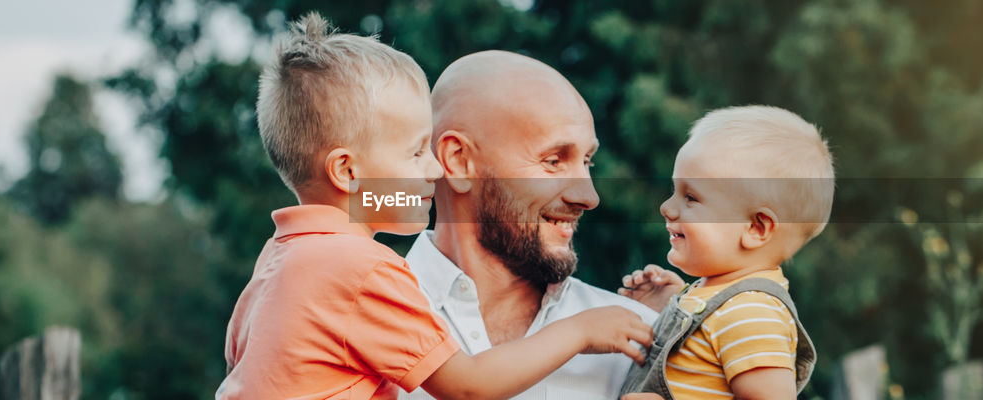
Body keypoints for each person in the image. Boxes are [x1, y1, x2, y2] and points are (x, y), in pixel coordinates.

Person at [217, 14, 651, 400]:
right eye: (553, 160)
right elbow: (467, 386)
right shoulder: (368, 275)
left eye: (587, 161)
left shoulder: (272, 269)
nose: (433, 169)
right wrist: (580, 331)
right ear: (347, 171)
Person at [399, 50, 659, 400]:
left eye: (587, 162)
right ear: (459, 161)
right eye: (553, 161)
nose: (589, 196)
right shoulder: (350, 321)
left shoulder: (644, 339)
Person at [619, 106, 832, 399]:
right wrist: (672, 306)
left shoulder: (752, 314)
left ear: (756, 228)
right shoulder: (723, 303)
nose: (667, 208)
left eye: (690, 197)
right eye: (674, 190)